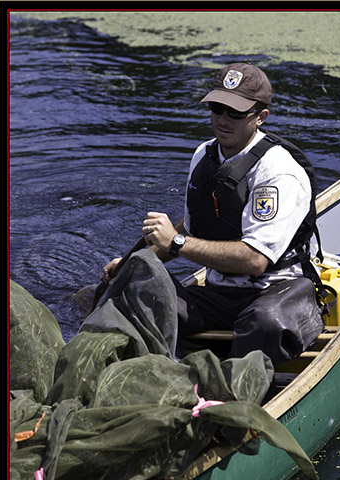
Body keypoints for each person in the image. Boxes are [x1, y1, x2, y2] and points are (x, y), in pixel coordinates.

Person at [103, 62, 324, 365]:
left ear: (261, 117)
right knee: (135, 293)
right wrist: (132, 263)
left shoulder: (278, 172)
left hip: (275, 291)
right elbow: (190, 230)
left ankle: (242, 393)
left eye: (235, 112)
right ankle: (172, 377)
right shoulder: (204, 155)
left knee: (265, 322)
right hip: (218, 293)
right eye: (217, 108)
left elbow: (255, 260)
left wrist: (177, 243)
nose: (222, 119)